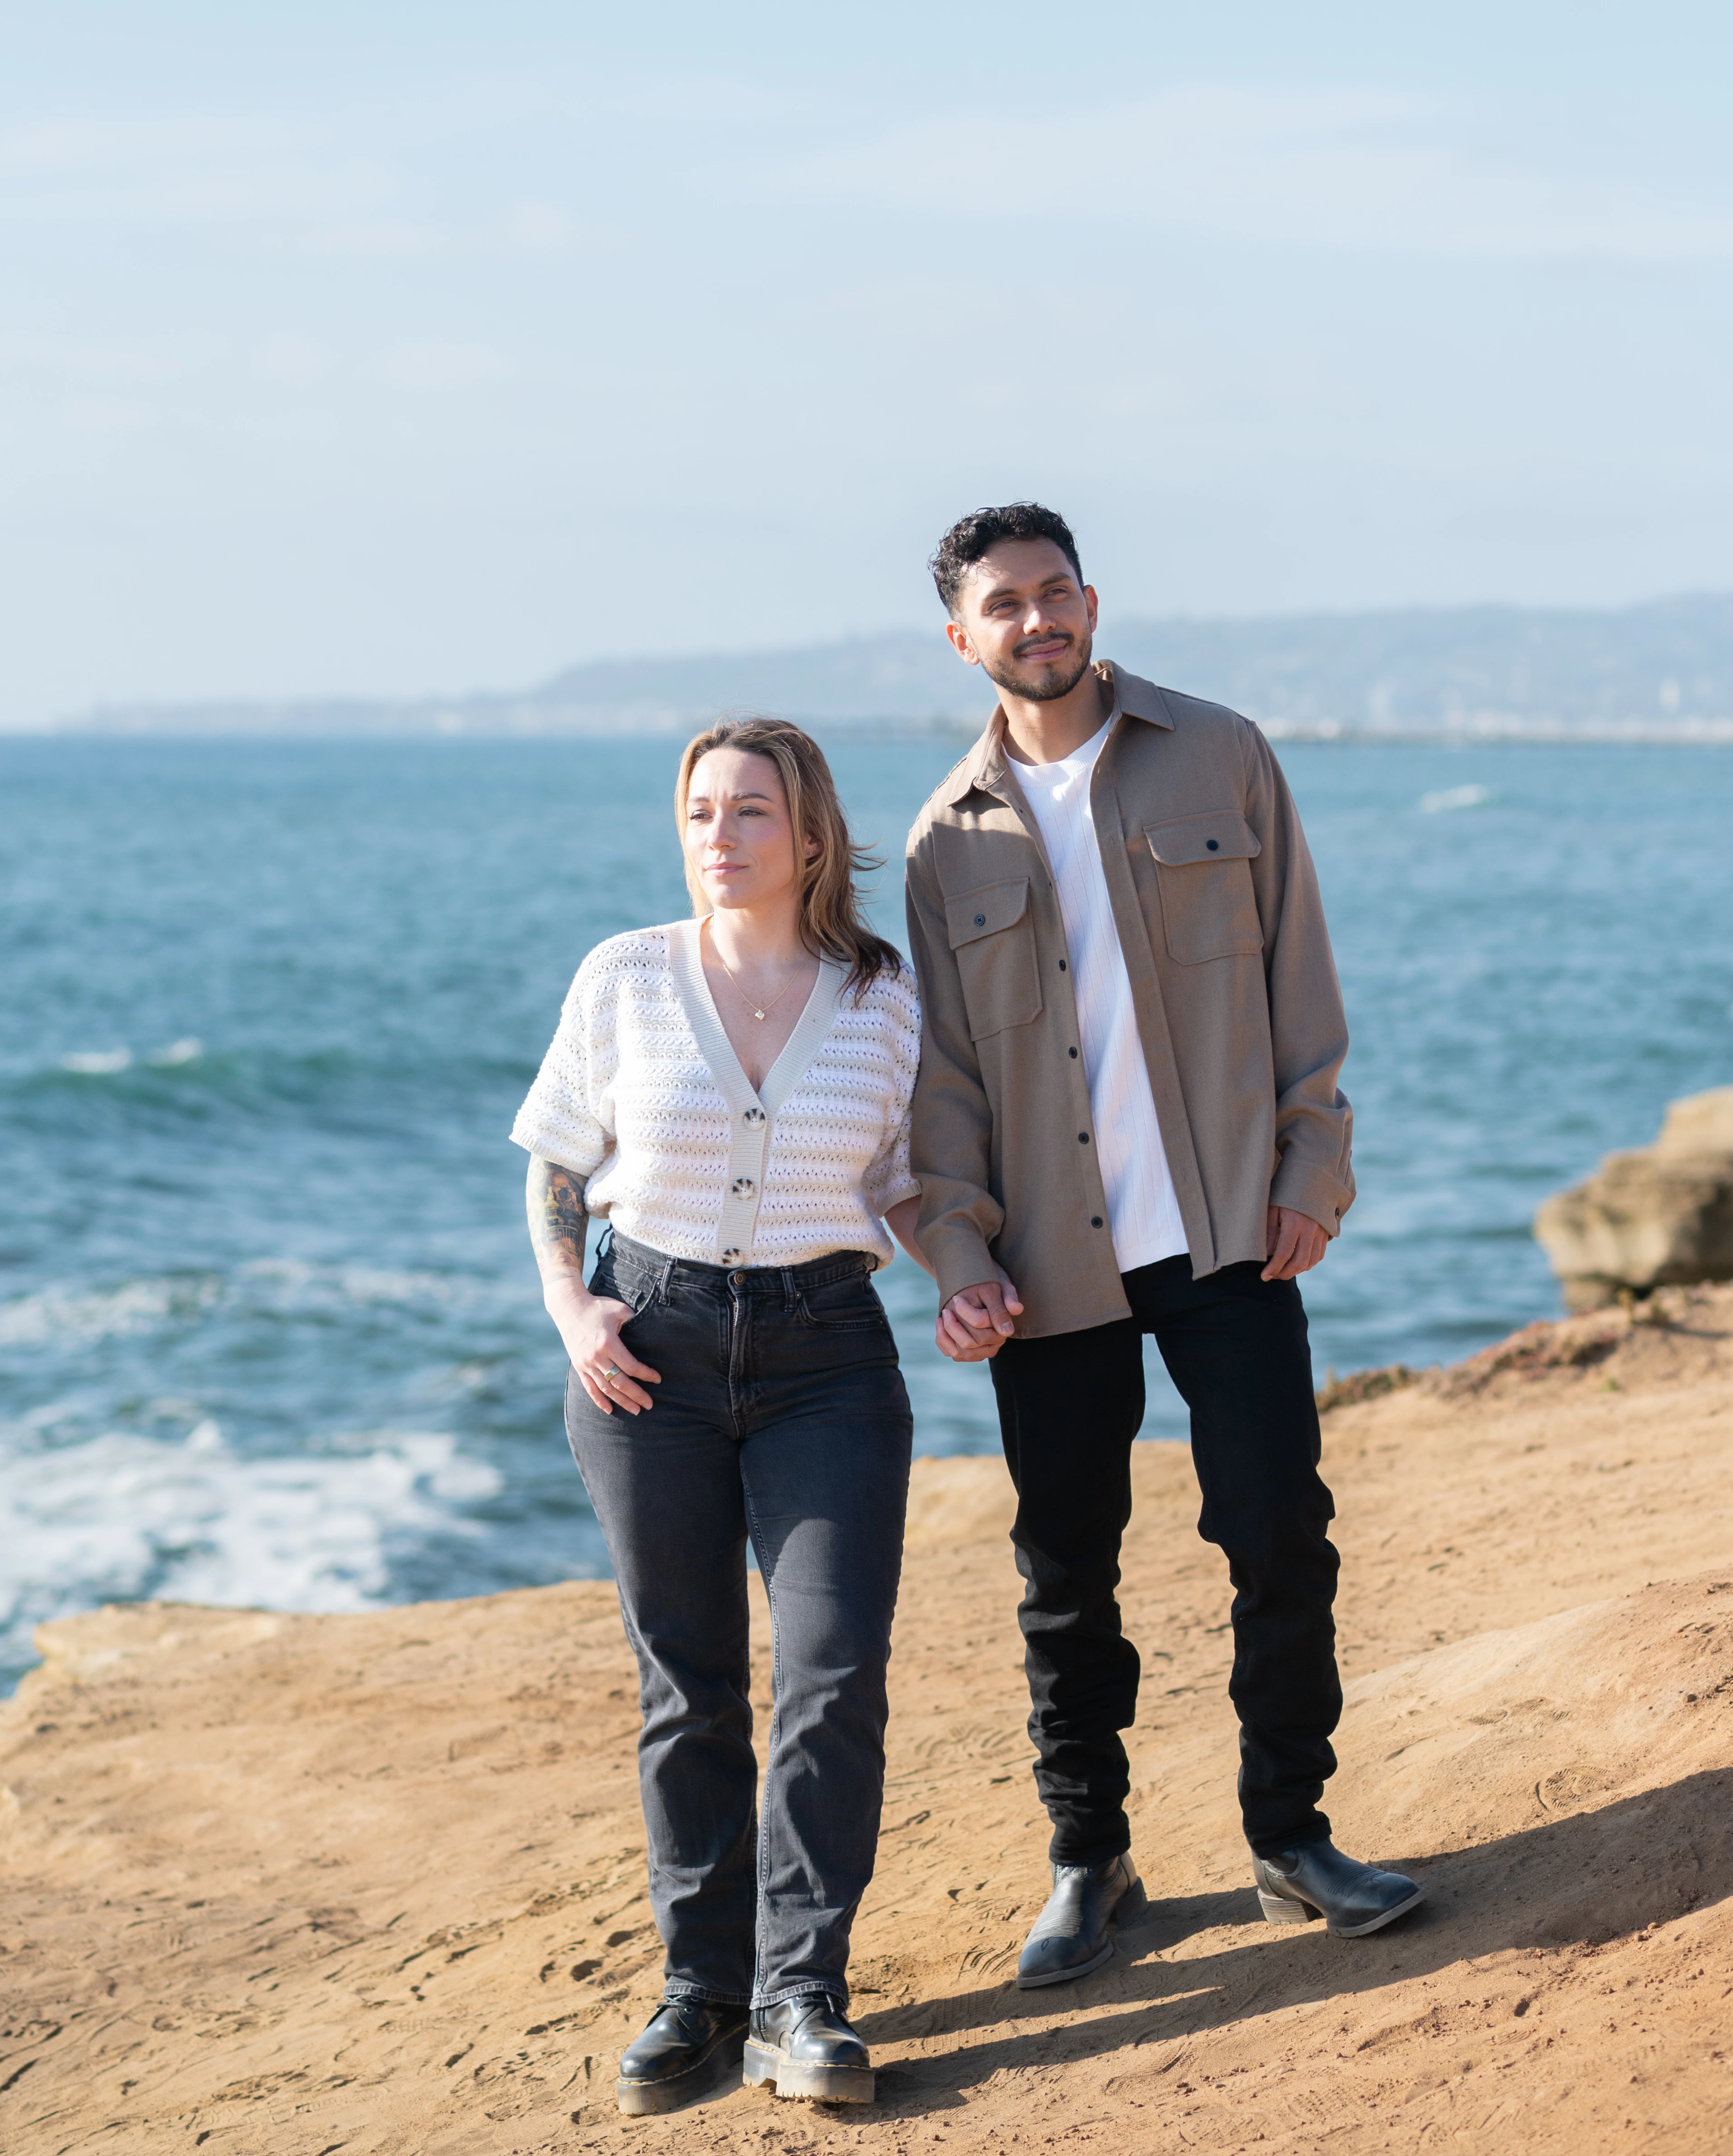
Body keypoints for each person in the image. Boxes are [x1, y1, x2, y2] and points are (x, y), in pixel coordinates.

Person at [903, 501, 1423, 1989]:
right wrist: (954, 1252)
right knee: (1066, 1573)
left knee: (1275, 1533)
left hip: (1223, 1236)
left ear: (1089, 599)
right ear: (963, 637)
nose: (1037, 620)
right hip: (1047, 1265)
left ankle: (1289, 1837)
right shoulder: (945, 844)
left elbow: (1298, 971)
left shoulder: (1218, 751)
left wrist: (1313, 1168)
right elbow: (939, 1079)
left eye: (1055, 591)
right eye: (1003, 605)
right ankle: (1091, 1861)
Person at [513, 717, 926, 2114]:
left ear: (808, 834)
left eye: (750, 811)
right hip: (649, 1358)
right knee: (683, 1681)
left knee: (831, 1666)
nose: (720, 837)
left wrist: (974, 1282)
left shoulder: (883, 995)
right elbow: (557, 1167)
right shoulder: (623, 978)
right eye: (700, 811)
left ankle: (802, 1991)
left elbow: (914, 1183)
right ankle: (702, 1988)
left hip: (827, 1358)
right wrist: (576, 1313)